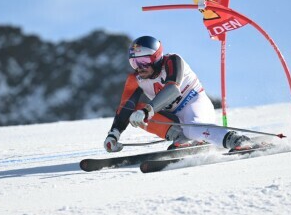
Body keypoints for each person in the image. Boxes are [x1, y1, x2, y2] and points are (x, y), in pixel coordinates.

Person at [104, 36, 252, 152]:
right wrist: (114, 134)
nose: (140, 68)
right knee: (134, 112)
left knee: (192, 128)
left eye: (144, 61)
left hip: (194, 102)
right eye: (134, 63)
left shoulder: (172, 61)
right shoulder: (135, 79)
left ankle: (237, 140)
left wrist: (147, 111)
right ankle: (181, 138)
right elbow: (125, 106)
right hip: (173, 115)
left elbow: (173, 89)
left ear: (156, 58)